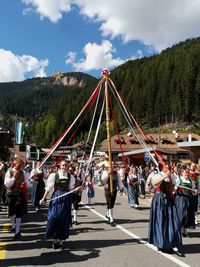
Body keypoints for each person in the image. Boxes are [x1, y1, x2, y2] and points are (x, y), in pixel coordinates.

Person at [39, 160, 80, 250]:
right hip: (56, 197)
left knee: (64, 220)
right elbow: (49, 188)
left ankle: (61, 241)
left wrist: (78, 189)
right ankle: (54, 239)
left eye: (66, 165)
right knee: (54, 217)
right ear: (60, 166)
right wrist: (43, 198)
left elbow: (71, 189)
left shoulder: (71, 176)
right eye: (63, 165)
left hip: (66, 199)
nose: (64, 167)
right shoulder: (54, 175)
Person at [148, 164, 183, 256]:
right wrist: (164, 176)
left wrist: (173, 184)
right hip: (159, 200)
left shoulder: (171, 176)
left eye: (169, 167)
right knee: (161, 221)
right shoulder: (158, 175)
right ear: (162, 168)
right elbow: (154, 183)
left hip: (168, 199)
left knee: (173, 221)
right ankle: (161, 243)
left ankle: (172, 242)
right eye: (166, 167)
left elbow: (173, 188)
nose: (169, 168)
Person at [4, 157, 30, 239]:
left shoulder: (24, 173)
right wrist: (14, 178)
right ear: (15, 164)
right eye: (20, 164)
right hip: (11, 194)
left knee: (19, 212)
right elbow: (7, 184)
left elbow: (28, 184)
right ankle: (13, 226)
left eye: (22, 164)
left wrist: (25, 184)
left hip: (19, 194)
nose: (21, 166)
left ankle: (17, 231)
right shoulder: (9, 172)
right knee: (11, 212)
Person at [174, 166, 196, 237]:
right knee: (182, 215)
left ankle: (185, 230)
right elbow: (174, 190)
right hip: (181, 199)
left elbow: (193, 192)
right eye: (185, 172)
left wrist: (195, 191)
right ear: (182, 173)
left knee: (188, 215)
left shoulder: (191, 181)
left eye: (187, 172)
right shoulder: (178, 180)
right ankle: (179, 229)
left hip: (189, 199)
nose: (187, 173)